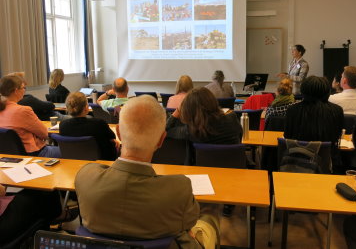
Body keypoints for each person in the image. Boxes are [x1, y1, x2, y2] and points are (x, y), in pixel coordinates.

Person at [75, 95, 220, 249]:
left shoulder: (85, 177)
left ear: (119, 132)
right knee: (209, 221)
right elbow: (189, 223)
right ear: (161, 140)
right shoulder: (179, 189)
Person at [284, 76, 344, 172]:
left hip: (296, 163)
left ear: (303, 91)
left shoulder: (292, 110)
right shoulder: (337, 110)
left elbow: (287, 136)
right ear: (327, 92)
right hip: (327, 164)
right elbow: (337, 136)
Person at [0, 75, 61, 157]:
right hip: (33, 154)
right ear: (15, 91)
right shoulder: (23, 110)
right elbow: (44, 133)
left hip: (8, 156)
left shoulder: (2, 109)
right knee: (72, 151)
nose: (24, 90)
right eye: (23, 88)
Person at [166, 87, 242, 145]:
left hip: (203, 165)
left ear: (190, 110)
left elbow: (166, 130)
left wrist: (177, 111)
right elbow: (240, 135)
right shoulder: (232, 118)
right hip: (235, 164)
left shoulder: (191, 131)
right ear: (213, 101)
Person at [60, 92, 119, 160]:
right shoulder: (99, 124)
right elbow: (112, 137)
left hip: (74, 160)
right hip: (100, 161)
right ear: (86, 108)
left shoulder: (63, 125)